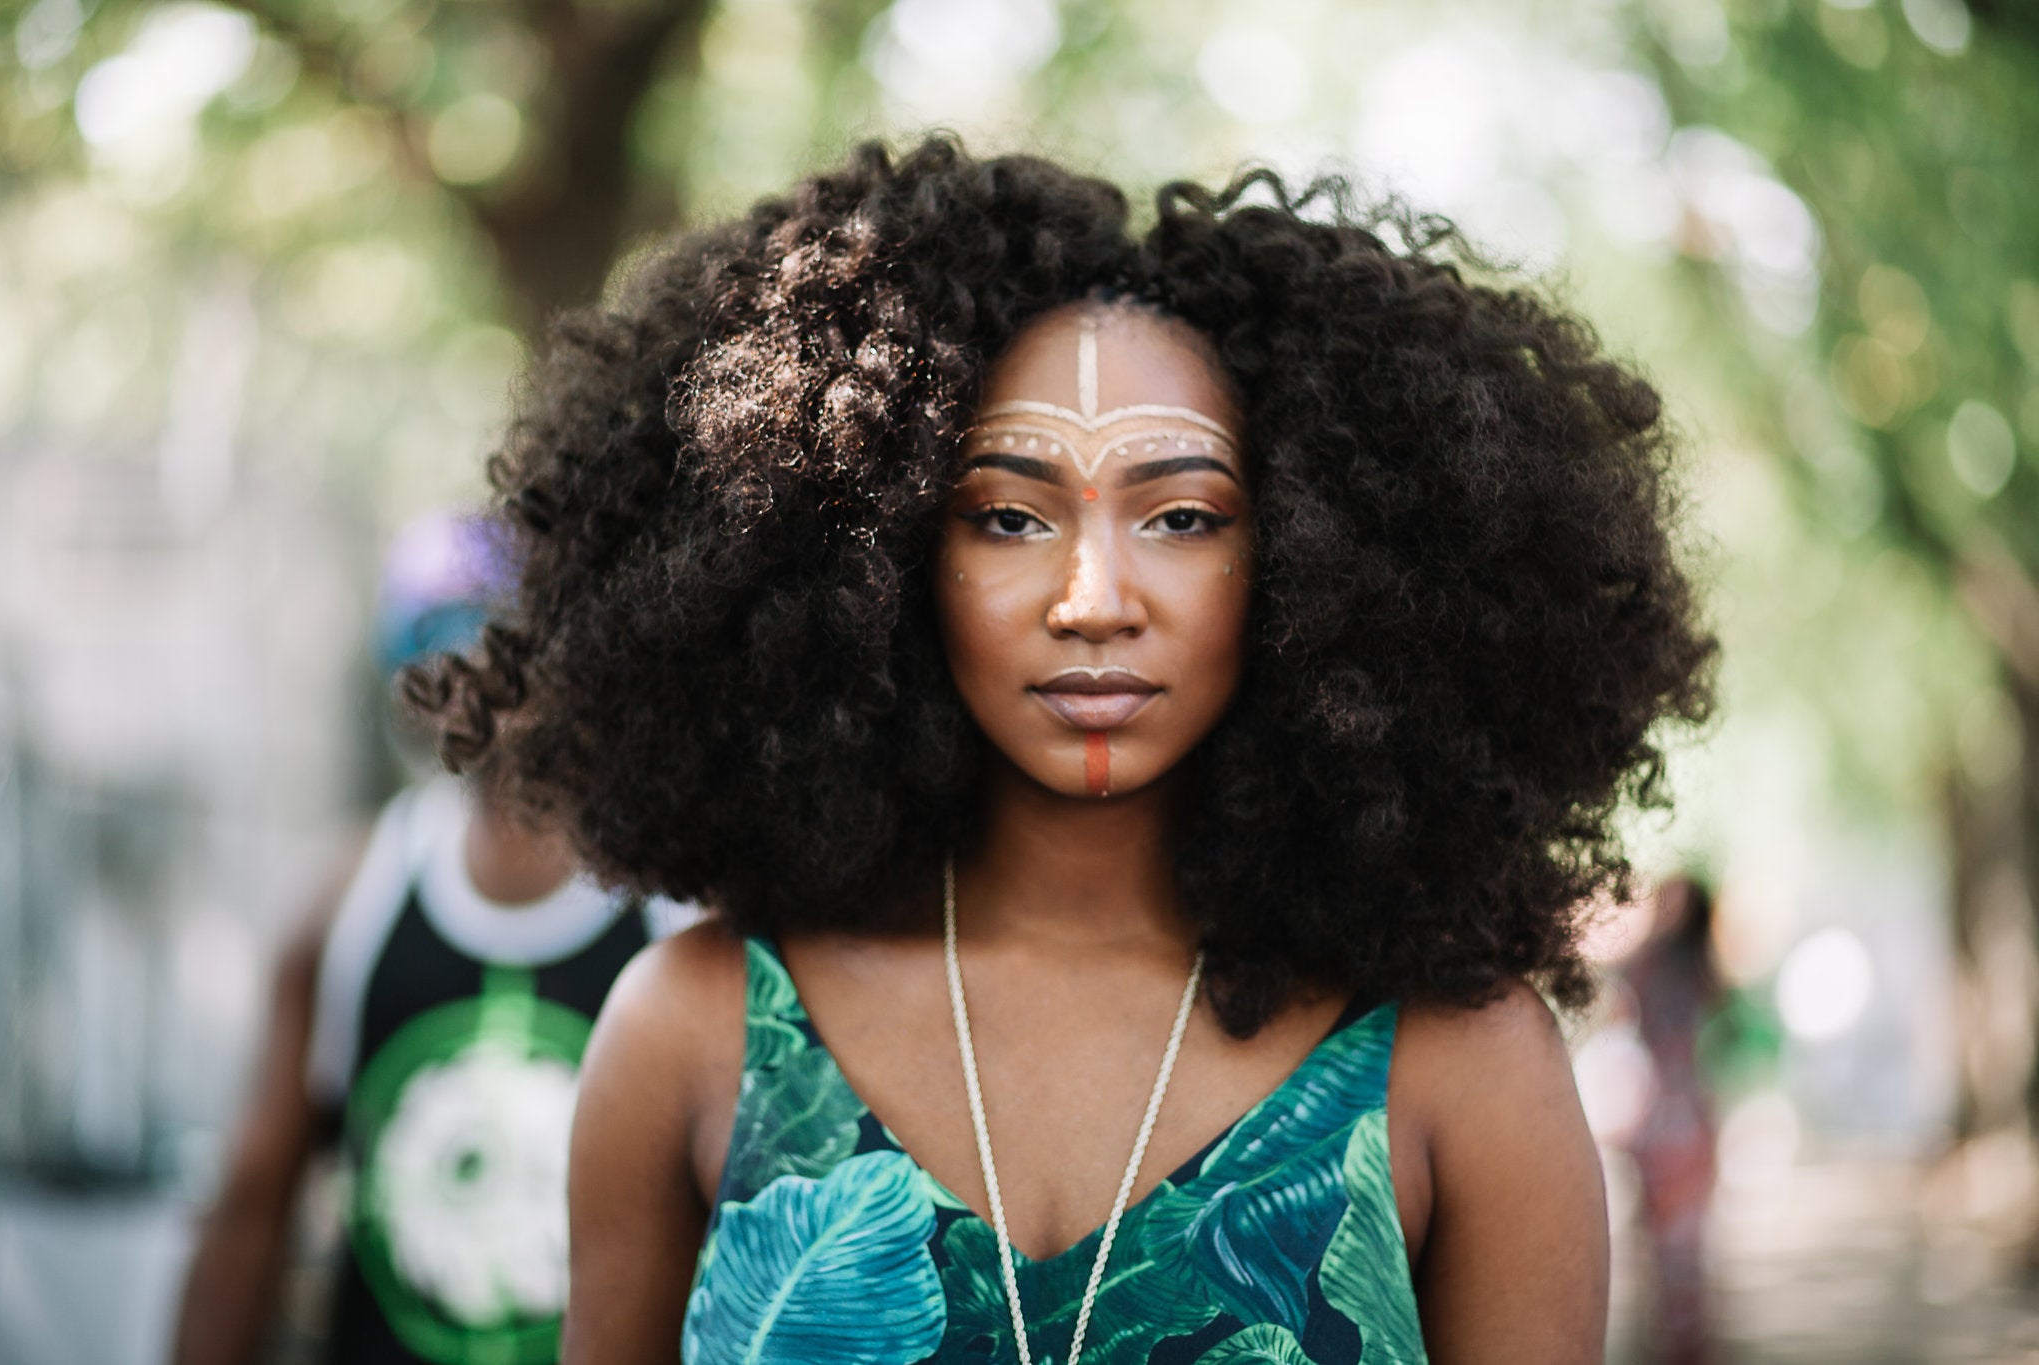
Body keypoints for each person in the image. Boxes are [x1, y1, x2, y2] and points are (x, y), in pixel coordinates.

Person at [409, 138, 1717, 1363]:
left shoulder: (1455, 1059)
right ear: (877, 547)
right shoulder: (697, 1034)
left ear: (1323, 558)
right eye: (1008, 518)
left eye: (1187, 516)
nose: (1094, 596)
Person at [170, 512, 697, 1365]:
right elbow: (251, 1203)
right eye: (431, 638)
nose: (464, 672)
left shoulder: (676, 910)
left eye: (493, 629)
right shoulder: (352, 900)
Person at [1622, 874, 1725, 1365]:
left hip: (1670, 1116)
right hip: (1674, 1114)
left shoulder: (1666, 965)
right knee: (1675, 1243)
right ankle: (1679, 1340)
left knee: (1676, 1243)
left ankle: (1678, 1341)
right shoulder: (1697, 967)